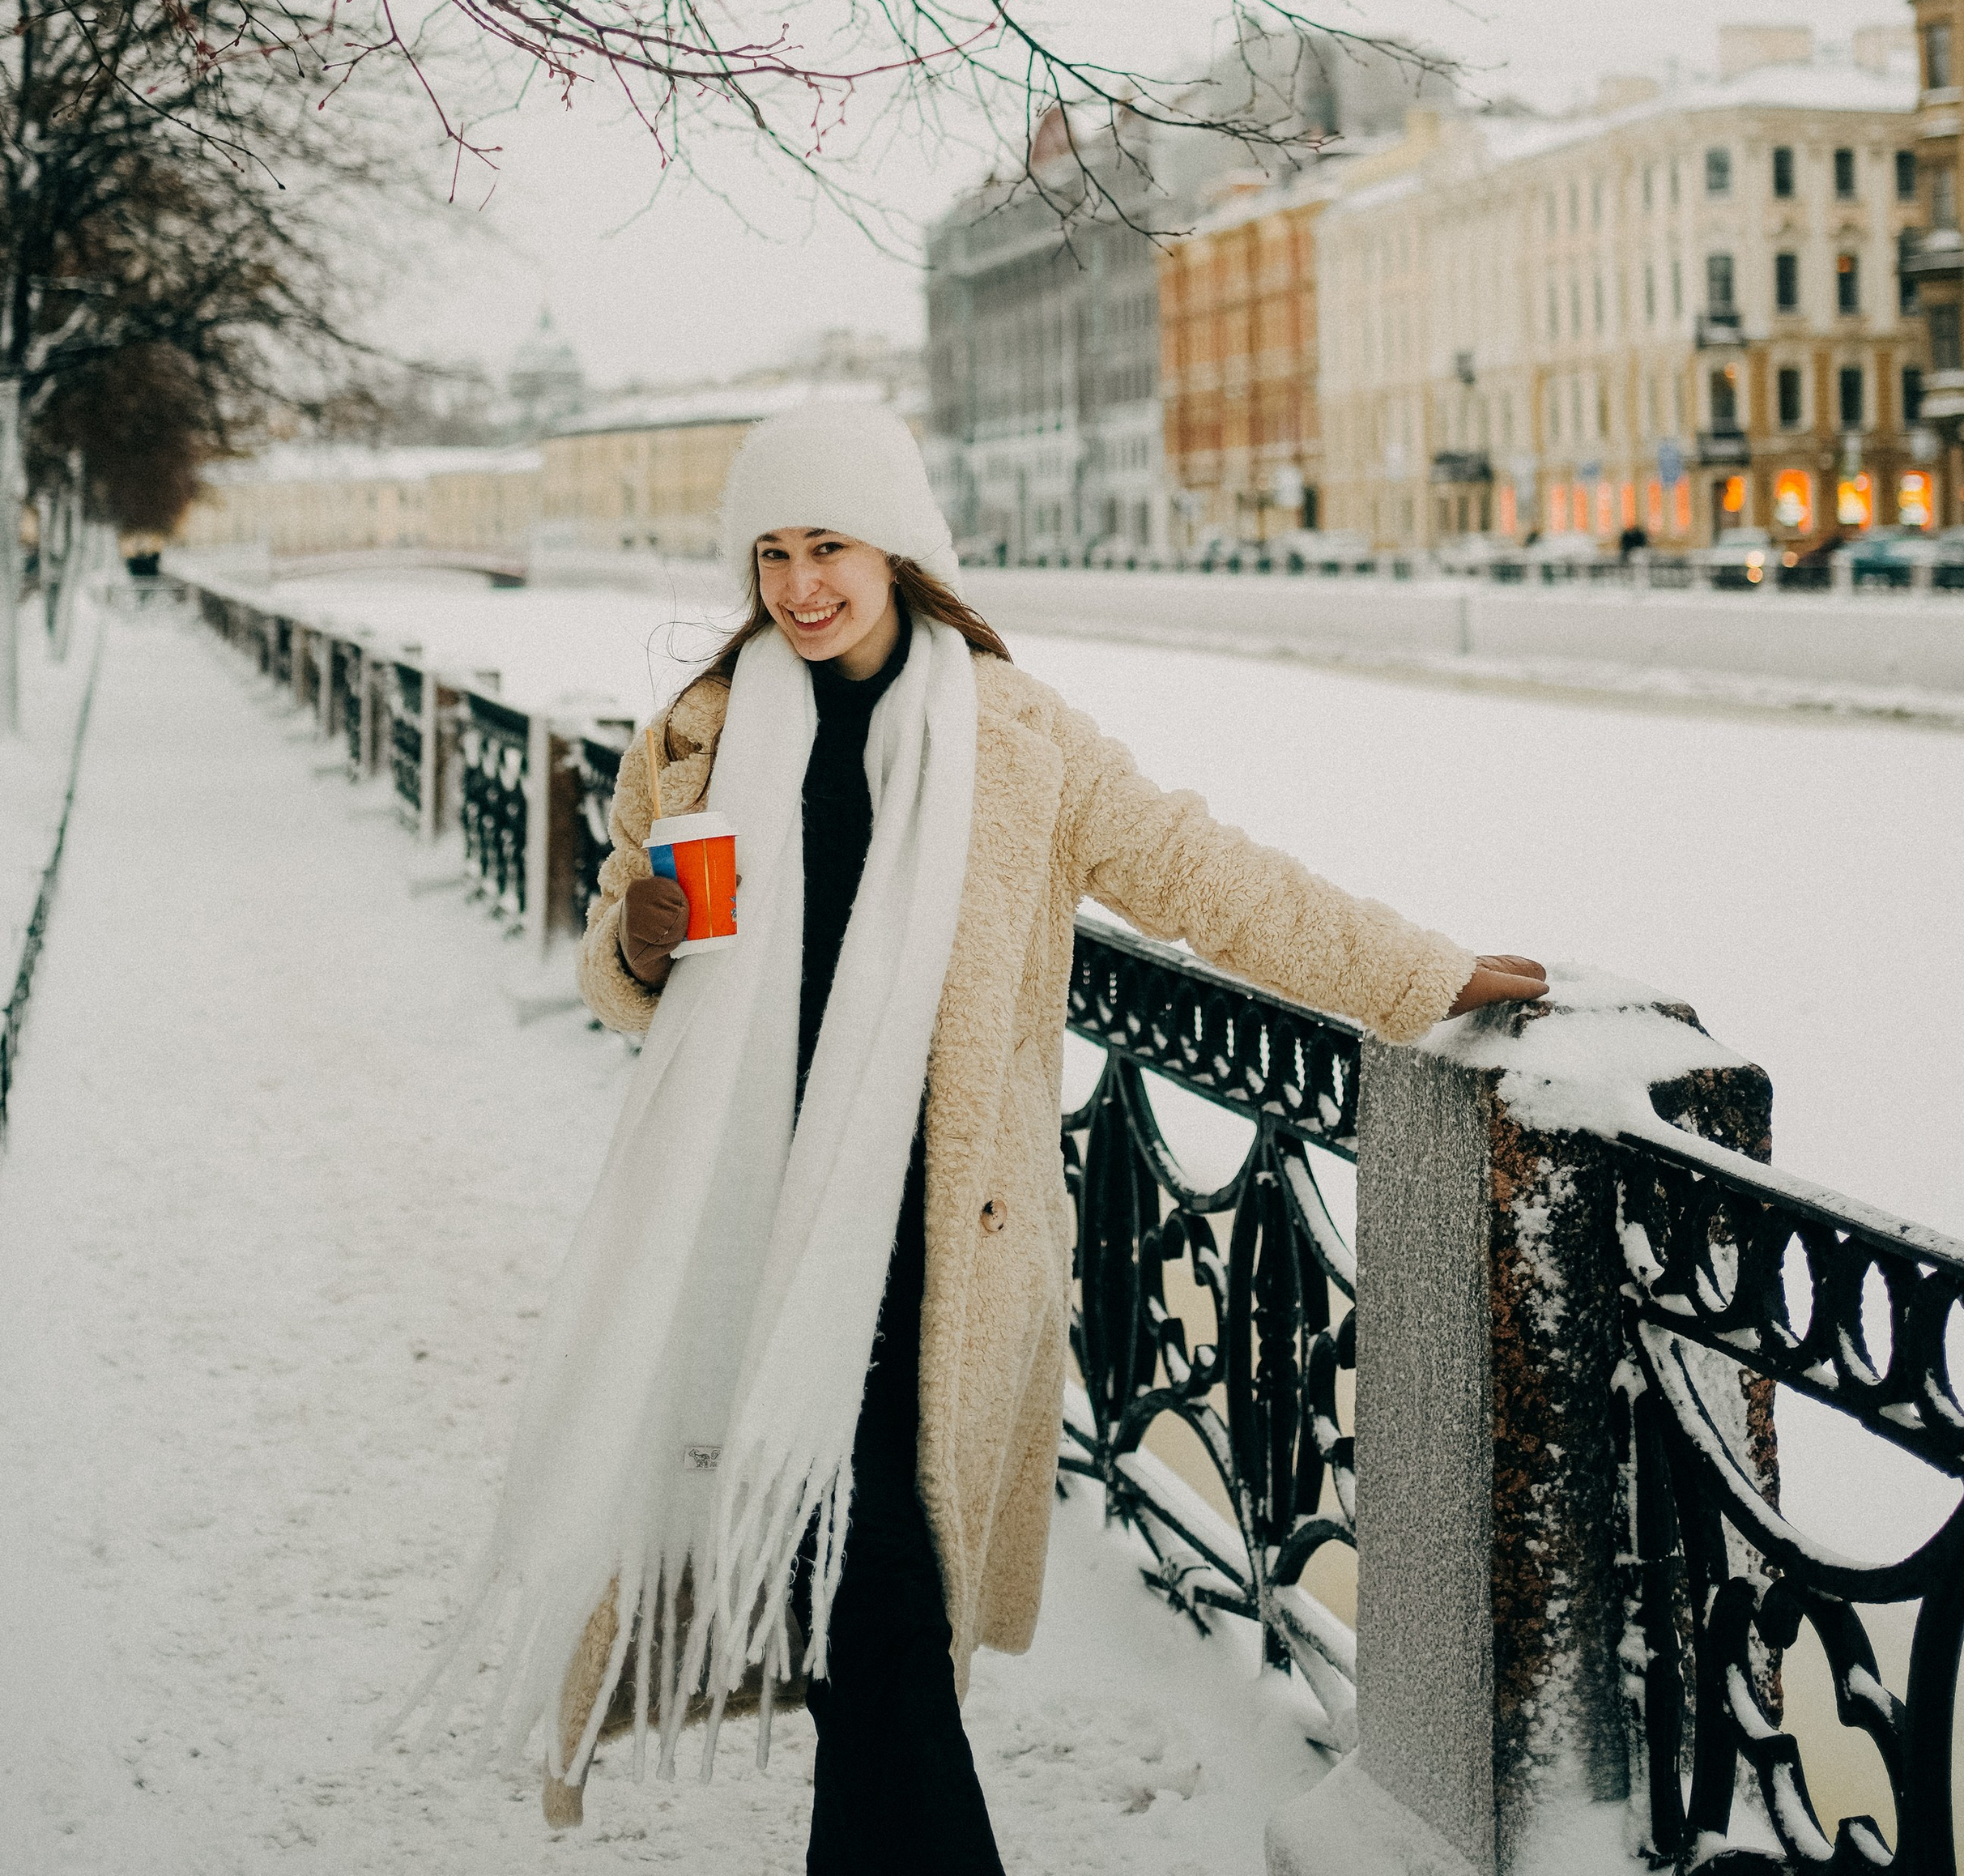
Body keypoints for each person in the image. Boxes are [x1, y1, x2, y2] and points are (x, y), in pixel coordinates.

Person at [438, 402, 1544, 1866]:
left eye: (828, 545)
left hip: (934, 1237)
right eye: (771, 552)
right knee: (851, 1587)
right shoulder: (699, 738)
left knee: (880, 1575)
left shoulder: (1019, 746)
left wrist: (1423, 975)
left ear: (898, 551)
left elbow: (1204, 878)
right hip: (750, 1221)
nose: (798, 586)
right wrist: (638, 939)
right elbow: (622, 980)